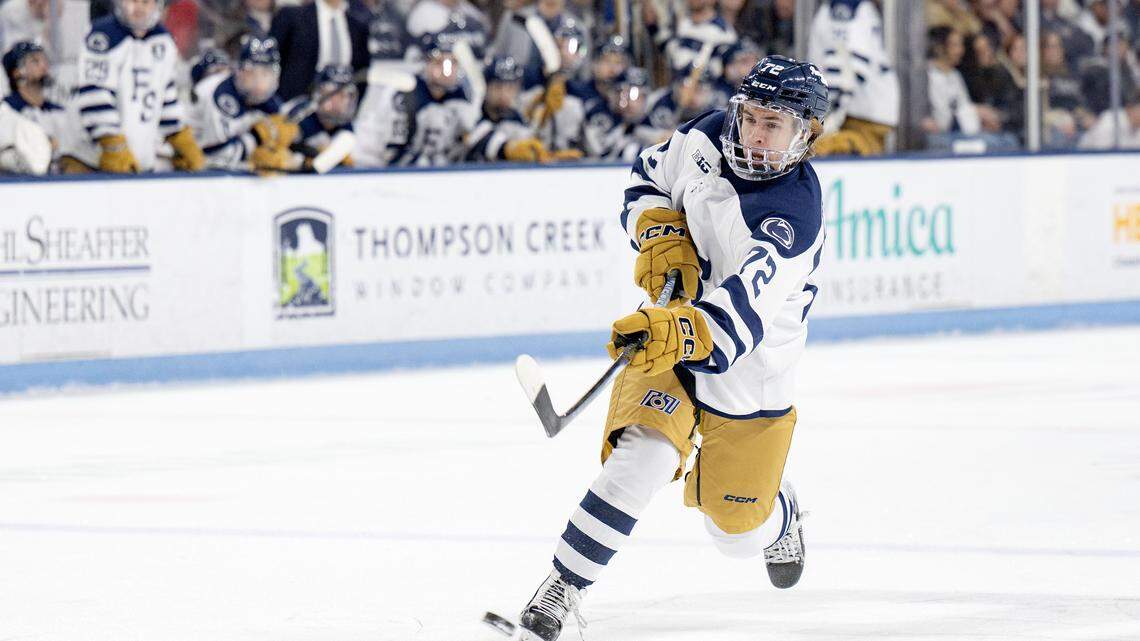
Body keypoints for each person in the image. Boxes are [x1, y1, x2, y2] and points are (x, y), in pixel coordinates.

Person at [513, 54, 829, 641]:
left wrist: (668, 330)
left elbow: (734, 329)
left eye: (774, 125)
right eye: (752, 117)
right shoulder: (706, 136)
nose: (756, 136)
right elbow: (645, 179)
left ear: (805, 134)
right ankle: (561, 589)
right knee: (642, 458)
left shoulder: (792, 217)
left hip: (748, 377)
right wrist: (658, 228)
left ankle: (779, 512)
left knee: (735, 533)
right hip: (674, 348)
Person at [66, 0, 204, 173]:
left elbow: (165, 96)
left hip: (138, 161)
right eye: (132, 0)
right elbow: (94, 94)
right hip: (91, 159)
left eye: (145, 2)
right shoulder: (103, 35)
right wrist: (112, 144)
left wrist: (180, 138)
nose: (138, 7)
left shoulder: (163, 40)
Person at [191, 35, 298, 172]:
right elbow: (213, 155)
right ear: (239, 70)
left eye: (266, 73)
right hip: (176, 167)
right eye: (253, 72)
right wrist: (257, 139)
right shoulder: (215, 93)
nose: (260, 82)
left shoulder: (272, 103)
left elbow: (277, 149)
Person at [808, 0, 899, 156]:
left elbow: (848, 64)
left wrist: (833, 112)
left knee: (816, 149)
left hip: (859, 111)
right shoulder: (857, 8)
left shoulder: (845, 7)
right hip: (868, 110)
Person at [467, 56, 568, 162]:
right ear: (486, 87)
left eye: (510, 87)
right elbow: (476, 137)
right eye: (498, 87)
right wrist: (507, 149)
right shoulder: (474, 112)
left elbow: (532, 145)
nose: (504, 94)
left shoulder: (516, 117)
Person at [269, 0, 369, 101]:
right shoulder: (292, 16)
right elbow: (272, 58)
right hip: (293, 103)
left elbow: (360, 72)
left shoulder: (358, 26)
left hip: (339, 108)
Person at [2, 41, 70, 167]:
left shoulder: (60, 112)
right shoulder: (6, 111)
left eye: (44, 60)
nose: (44, 66)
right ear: (16, 72)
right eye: (35, 61)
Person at [284, 63, 359, 172]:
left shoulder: (347, 128)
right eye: (337, 95)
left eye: (346, 95)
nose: (343, 101)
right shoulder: (302, 116)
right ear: (320, 93)